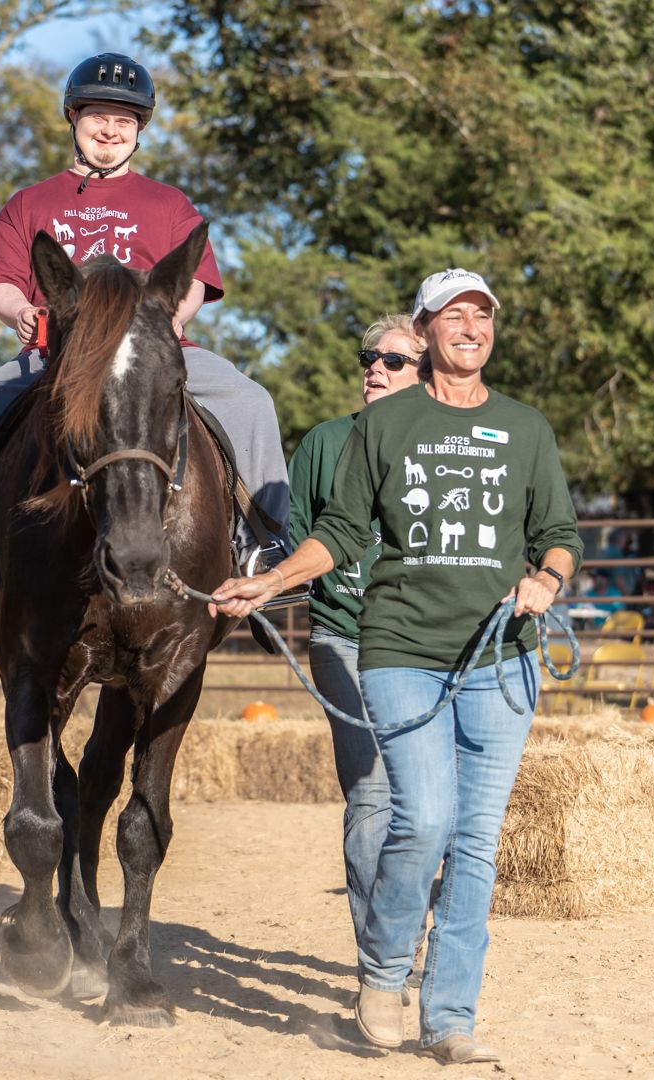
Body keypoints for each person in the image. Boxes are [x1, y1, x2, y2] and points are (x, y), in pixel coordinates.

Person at [210, 268, 581, 1065]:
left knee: (478, 843)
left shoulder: (527, 428)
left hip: (501, 658)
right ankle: (382, 971)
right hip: (403, 651)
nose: (471, 327)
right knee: (423, 818)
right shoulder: (384, 427)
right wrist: (271, 582)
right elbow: (341, 531)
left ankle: (449, 1017)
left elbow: (559, 531)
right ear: (428, 328)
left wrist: (545, 579)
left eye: (483, 315)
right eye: (455, 315)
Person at [0, 53, 296, 612]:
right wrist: (19, 314)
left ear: (139, 130)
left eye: (124, 120)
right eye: (98, 116)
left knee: (250, 399)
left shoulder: (169, 204)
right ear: (74, 118)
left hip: (149, 350)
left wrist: (176, 315)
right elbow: (2, 281)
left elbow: (196, 278)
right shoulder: (28, 203)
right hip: (60, 350)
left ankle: (265, 545)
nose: (110, 129)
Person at [287, 313, 425, 975]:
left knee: (431, 800)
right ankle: (382, 960)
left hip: (427, 644)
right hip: (343, 633)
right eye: (368, 356)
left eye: (394, 360)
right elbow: (291, 534)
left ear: (426, 375)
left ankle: (413, 927)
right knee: (371, 790)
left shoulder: (446, 444)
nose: (375, 367)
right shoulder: (324, 442)